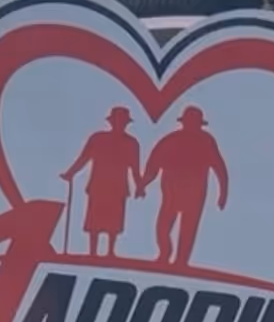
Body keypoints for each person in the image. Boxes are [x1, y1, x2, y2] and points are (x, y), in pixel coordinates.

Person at [137, 106, 229, 268]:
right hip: (172, 191)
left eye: (195, 123)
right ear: (184, 122)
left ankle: (181, 261)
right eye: (189, 122)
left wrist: (223, 194)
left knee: (188, 228)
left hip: (195, 192)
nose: (192, 125)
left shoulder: (206, 141)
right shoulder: (171, 140)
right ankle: (165, 254)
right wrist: (142, 185)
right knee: (163, 226)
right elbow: (153, 166)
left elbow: (219, 167)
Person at [60, 107, 142, 258]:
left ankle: (110, 251)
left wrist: (139, 186)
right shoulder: (98, 138)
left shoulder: (131, 143)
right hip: (98, 185)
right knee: (94, 220)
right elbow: (84, 158)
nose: (119, 124)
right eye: (117, 121)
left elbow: (135, 168)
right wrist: (71, 173)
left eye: (122, 121)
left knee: (114, 221)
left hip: (118, 187)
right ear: (112, 122)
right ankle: (92, 252)